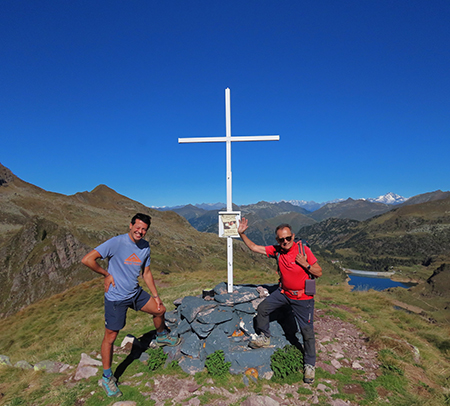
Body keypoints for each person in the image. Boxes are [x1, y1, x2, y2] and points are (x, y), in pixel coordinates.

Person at [82, 213, 180, 398]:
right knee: (110, 337)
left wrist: (156, 296)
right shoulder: (116, 242)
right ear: (130, 225)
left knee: (160, 310)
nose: (140, 231)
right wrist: (106, 274)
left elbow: (147, 273)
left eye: (144, 229)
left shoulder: (145, 247)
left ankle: (161, 336)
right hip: (116, 297)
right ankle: (106, 377)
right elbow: (87, 259)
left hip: (135, 293)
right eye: (138, 227)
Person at [238, 218, 322, 384]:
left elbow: (318, 272)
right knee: (262, 309)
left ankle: (310, 365)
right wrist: (242, 234)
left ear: (293, 236)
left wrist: (306, 264)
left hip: (303, 298)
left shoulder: (303, 250)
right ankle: (265, 337)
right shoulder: (277, 251)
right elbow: (254, 247)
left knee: (307, 332)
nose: (285, 242)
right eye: (281, 239)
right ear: (277, 240)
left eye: (288, 238)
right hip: (283, 293)